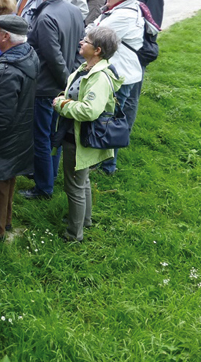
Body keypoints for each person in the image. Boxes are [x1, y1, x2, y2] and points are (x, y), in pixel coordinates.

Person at [53, 27, 123, 241]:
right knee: (82, 181)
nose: (81, 42)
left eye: (87, 41)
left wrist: (62, 105)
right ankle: (85, 220)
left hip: (79, 137)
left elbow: (90, 110)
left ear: (98, 50)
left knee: (74, 185)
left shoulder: (98, 78)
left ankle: (74, 234)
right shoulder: (86, 69)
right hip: (76, 135)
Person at [0, 14, 39, 241]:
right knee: (7, 179)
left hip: (1, 139)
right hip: (18, 134)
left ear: (6, 36)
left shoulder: (7, 70)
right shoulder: (28, 55)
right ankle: (5, 221)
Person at [21, 0, 84, 200]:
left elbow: (52, 56)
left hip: (47, 88)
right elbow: (80, 50)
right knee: (54, 136)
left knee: (42, 138)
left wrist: (66, 80)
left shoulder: (46, 16)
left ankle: (43, 187)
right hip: (62, 85)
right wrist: (73, 78)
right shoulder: (75, 11)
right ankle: (49, 176)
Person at [90, 0, 144, 176]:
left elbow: (95, 36)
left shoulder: (124, 15)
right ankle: (102, 162)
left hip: (120, 74)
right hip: (121, 72)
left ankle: (106, 166)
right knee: (108, 117)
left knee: (109, 120)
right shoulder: (120, 10)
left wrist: (92, 31)